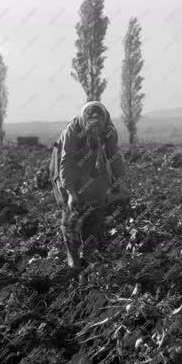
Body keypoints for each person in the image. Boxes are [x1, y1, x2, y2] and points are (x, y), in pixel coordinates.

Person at [50, 101, 129, 268]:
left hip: (93, 160)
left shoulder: (109, 130)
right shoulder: (73, 131)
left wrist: (121, 182)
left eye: (97, 128)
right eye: (91, 127)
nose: (95, 130)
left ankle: (89, 251)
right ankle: (72, 255)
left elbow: (114, 156)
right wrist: (71, 192)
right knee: (72, 211)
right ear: (85, 123)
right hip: (66, 163)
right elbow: (67, 162)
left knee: (98, 198)